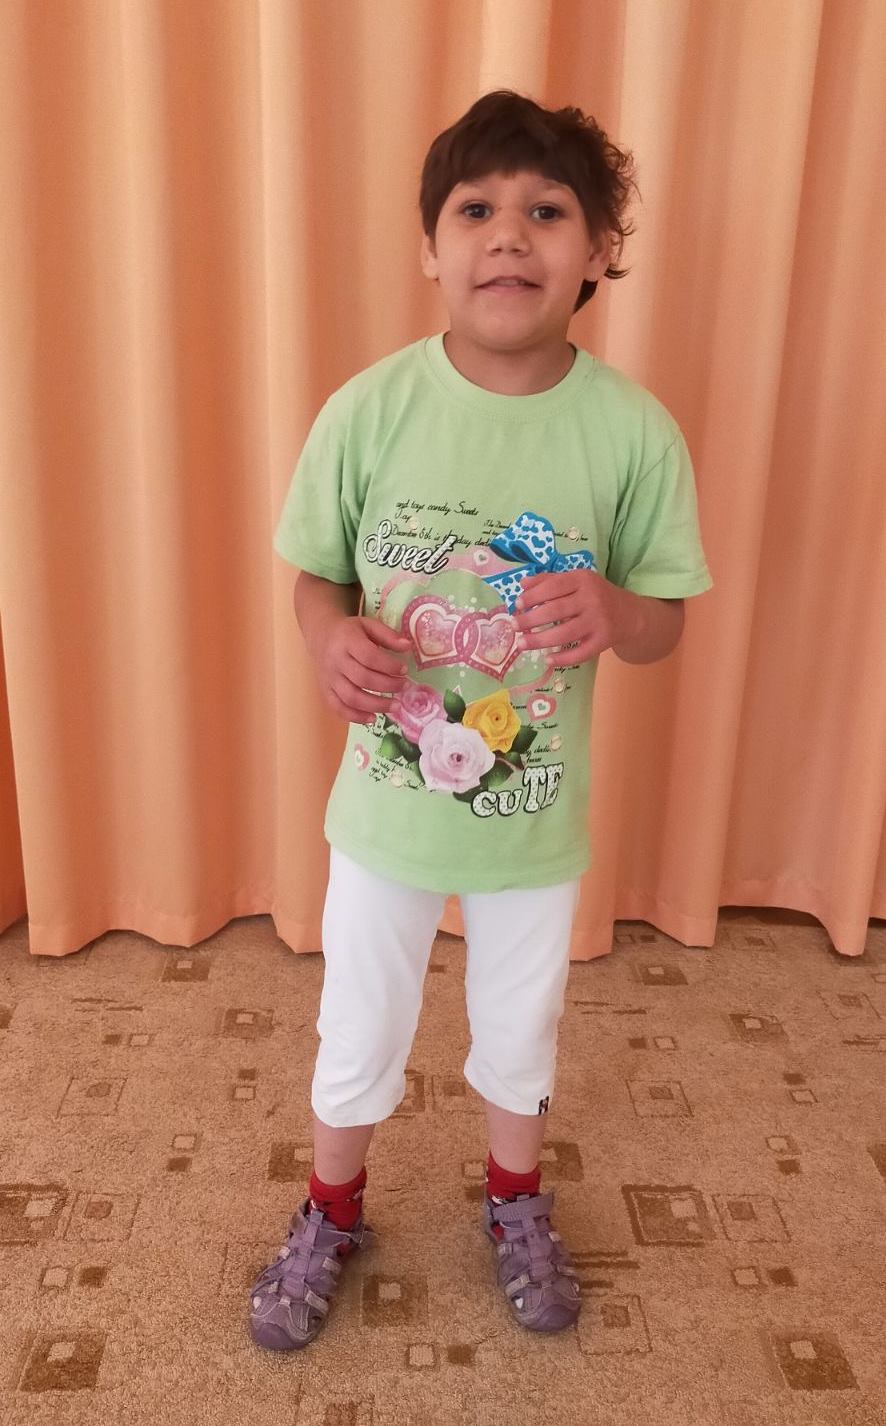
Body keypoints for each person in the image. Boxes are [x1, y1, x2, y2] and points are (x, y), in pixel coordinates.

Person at [251, 89, 713, 1351]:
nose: (508, 234)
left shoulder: (630, 431)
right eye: (475, 210)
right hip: (384, 816)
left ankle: (515, 1199)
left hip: (531, 820)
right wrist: (326, 639)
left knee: (520, 1030)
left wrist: (615, 609)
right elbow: (314, 577)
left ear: (600, 247)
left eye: (547, 211)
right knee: (360, 1023)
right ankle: (330, 1207)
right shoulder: (367, 410)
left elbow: (665, 620)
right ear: (429, 246)